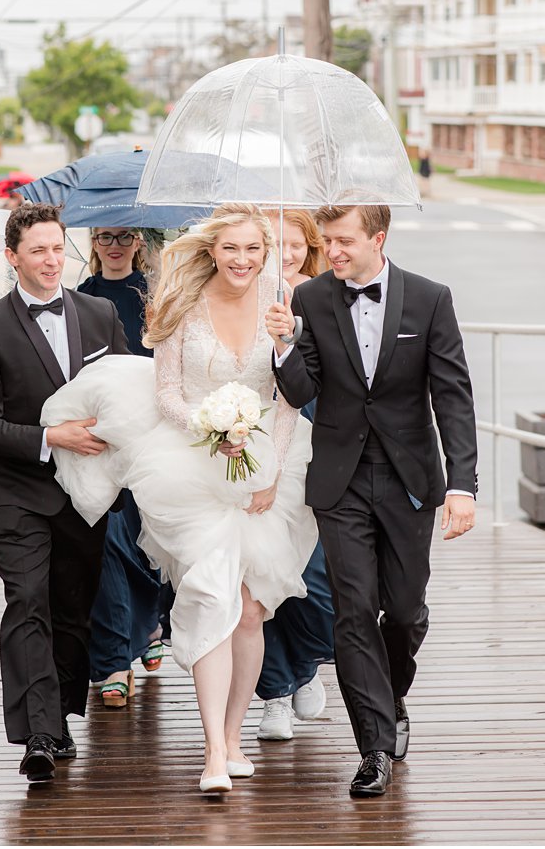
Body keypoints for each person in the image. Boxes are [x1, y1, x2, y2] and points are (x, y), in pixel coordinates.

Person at [42, 204, 317, 794]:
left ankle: (237, 735)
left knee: (249, 610)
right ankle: (213, 751)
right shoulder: (182, 306)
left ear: (266, 253)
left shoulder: (285, 308)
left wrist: (269, 469)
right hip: (190, 466)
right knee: (211, 595)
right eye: (231, 248)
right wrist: (212, 430)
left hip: (268, 466)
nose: (242, 260)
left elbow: (292, 399)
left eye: (253, 249)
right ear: (212, 251)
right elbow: (167, 393)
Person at [266, 205, 478, 799]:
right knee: (353, 611)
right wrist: (284, 347)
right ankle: (374, 749)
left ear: (377, 239)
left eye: (343, 241)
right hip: (340, 480)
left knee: (405, 610)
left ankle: (392, 693)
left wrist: (462, 486)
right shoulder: (307, 302)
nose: (330, 251)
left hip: (410, 477)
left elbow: (453, 397)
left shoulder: (430, 299)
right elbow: (302, 391)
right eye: (327, 240)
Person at [0, 201, 132, 785]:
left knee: (71, 609)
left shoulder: (101, 312)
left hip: (85, 495)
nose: (51, 260)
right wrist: (50, 436)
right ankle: (37, 733)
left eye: (58, 248)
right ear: (13, 257)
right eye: (38, 250)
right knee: (27, 602)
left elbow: (126, 390)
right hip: (18, 493)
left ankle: (57, 715)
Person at [77, 228, 168, 709]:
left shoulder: (156, 296)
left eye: (124, 237)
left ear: (139, 243)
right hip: (100, 439)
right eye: (105, 237)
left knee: (146, 537)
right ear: (93, 241)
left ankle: (150, 622)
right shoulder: (80, 300)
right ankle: (113, 658)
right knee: (109, 539)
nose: (114, 245)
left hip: (153, 434)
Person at [255, 210, 335, 741]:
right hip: (258, 445)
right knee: (262, 570)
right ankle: (276, 691)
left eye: (293, 243)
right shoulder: (244, 296)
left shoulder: (328, 297)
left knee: (316, 578)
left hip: (319, 443)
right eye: (272, 244)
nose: (284, 254)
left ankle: (305, 661)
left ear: (311, 246)